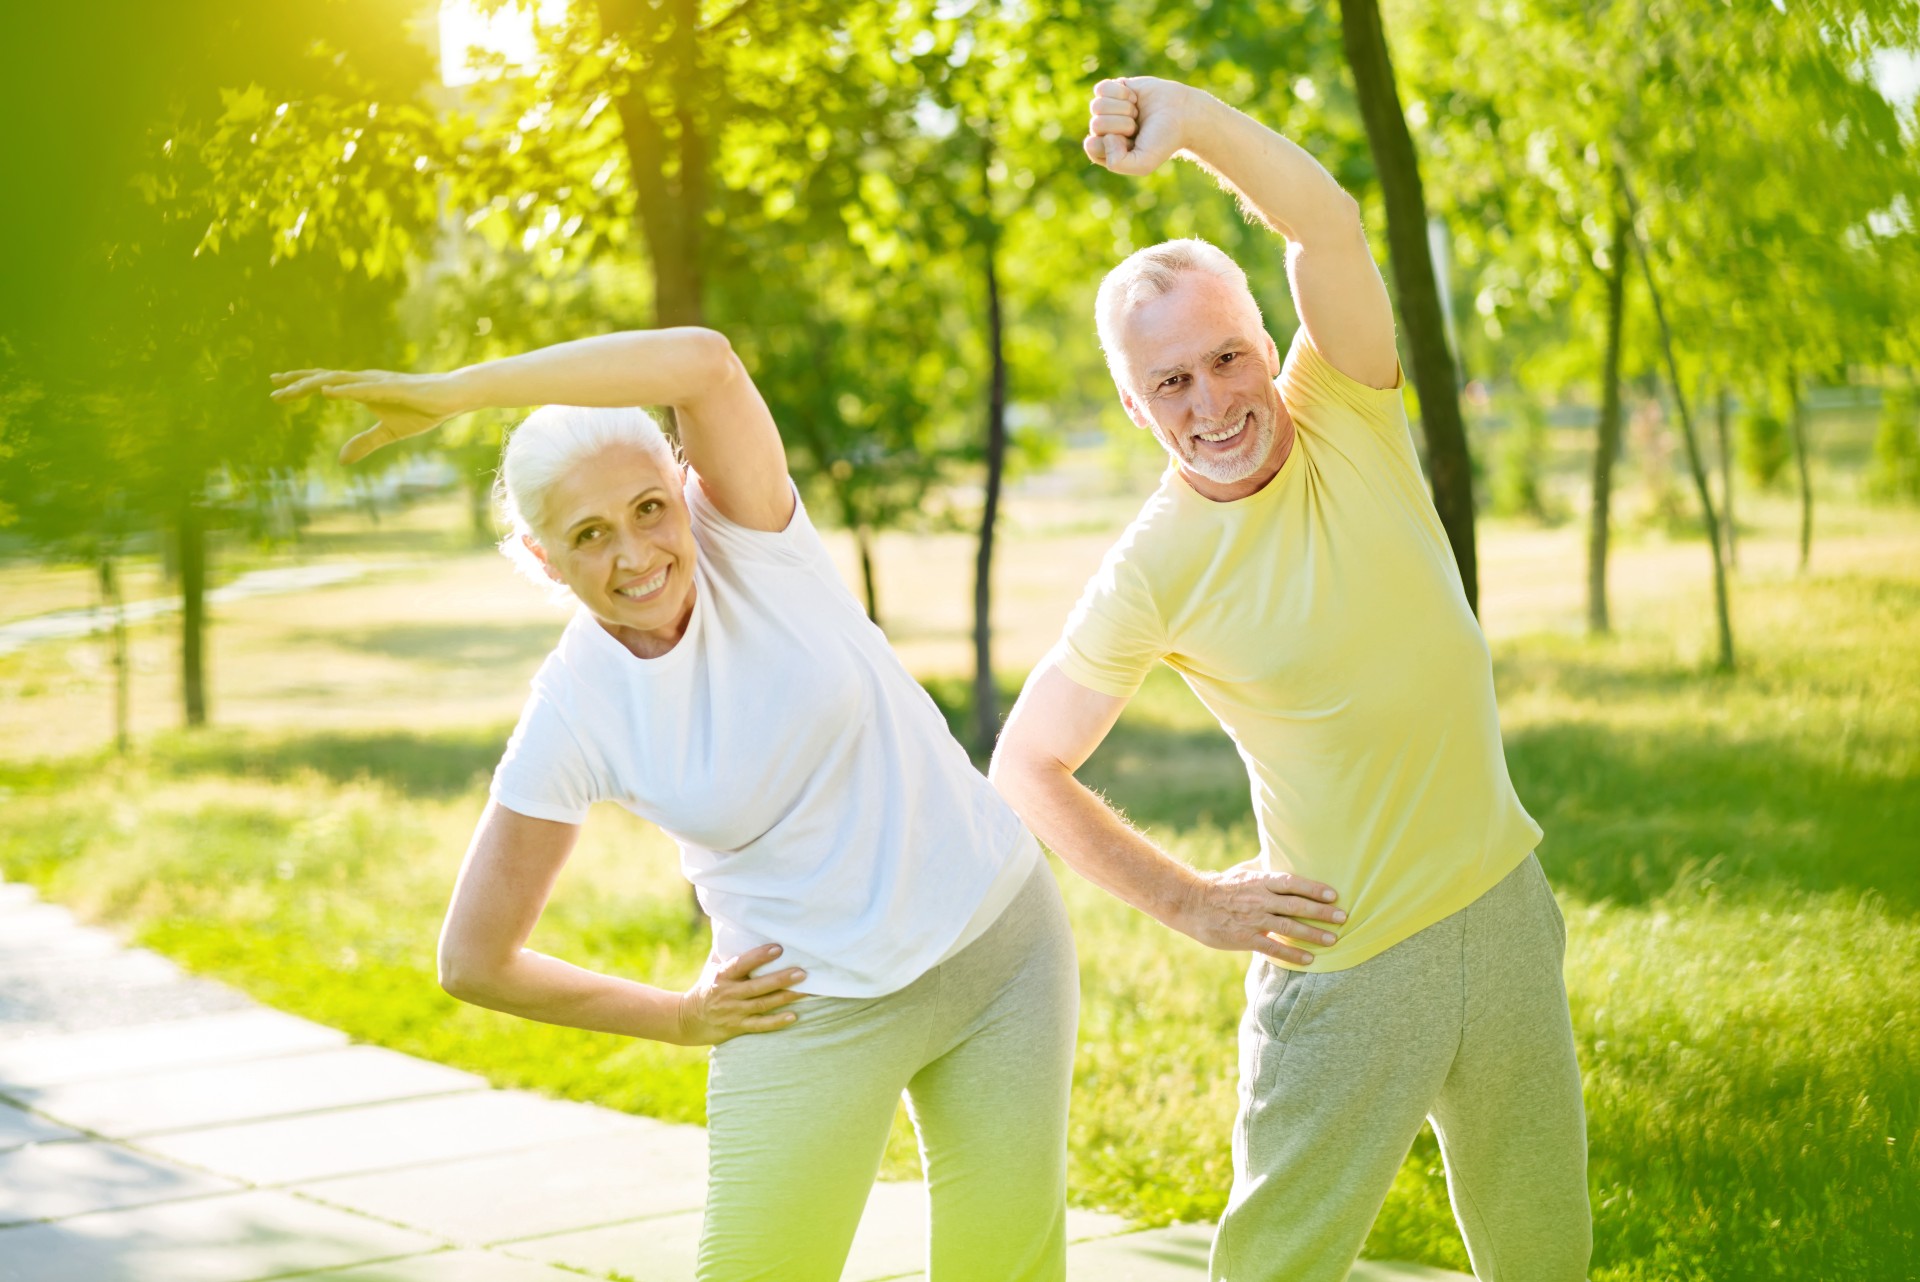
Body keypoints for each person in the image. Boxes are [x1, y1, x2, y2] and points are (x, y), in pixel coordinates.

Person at [269, 326, 1078, 1282]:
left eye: (650, 508)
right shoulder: (574, 709)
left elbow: (703, 358)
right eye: (589, 534)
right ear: (542, 558)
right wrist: (678, 1018)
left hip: (999, 947)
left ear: (684, 487)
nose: (637, 553)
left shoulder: (750, 531)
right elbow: (473, 960)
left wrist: (457, 393)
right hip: (804, 1007)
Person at [988, 77, 1590, 1281]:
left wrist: (1192, 123)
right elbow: (1026, 764)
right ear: (1131, 401)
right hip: (1353, 962)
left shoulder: (1342, 409)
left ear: (1270, 344)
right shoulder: (1152, 567)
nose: (1213, 402)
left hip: (1505, 908)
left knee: (1546, 1258)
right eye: (1171, 383)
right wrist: (1195, 905)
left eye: (1226, 356)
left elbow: (1326, 226)